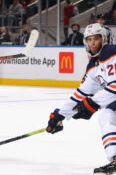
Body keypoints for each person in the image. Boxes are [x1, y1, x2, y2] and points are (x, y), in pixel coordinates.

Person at [46, 23, 116, 174]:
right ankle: (114, 160)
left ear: (104, 39)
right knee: (107, 115)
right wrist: (60, 115)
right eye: (89, 39)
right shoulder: (93, 66)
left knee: (106, 114)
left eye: (96, 39)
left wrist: (92, 104)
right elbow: (80, 95)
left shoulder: (110, 53)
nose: (92, 43)